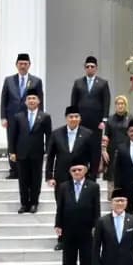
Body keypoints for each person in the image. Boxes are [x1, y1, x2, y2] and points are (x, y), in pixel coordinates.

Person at [46, 106, 95, 250]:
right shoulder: (56, 134)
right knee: (62, 207)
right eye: (71, 117)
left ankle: (84, 237)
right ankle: (62, 238)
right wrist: (49, 176)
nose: (74, 119)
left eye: (76, 116)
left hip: (82, 177)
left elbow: (93, 156)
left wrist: (91, 175)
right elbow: (50, 157)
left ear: (80, 118)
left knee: (83, 207)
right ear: (66, 118)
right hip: (61, 177)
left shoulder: (88, 134)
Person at [55, 163, 101, 265]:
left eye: (79, 170)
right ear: (70, 172)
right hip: (68, 227)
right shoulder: (64, 187)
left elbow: (96, 208)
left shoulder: (93, 186)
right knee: (68, 256)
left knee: (86, 255)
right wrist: (58, 224)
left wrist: (96, 225)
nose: (76, 172)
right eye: (73, 170)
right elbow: (60, 207)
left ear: (85, 171)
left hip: (86, 227)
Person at [0, 52, 44, 179]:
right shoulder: (9, 80)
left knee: (27, 142)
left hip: (29, 117)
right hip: (12, 117)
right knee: (12, 142)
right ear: (16, 65)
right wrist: (3, 117)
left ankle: (26, 170)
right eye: (20, 64)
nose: (23, 66)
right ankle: (14, 171)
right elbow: (3, 100)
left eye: (25, 63)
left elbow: (40, 100)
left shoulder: (36, 81)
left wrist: (40, 117)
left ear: (29, 65)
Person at [7, 93, 51, 213]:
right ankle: (24, 204)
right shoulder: (18, 117)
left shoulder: (45, 117)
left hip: (37, 153)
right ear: (25, 102)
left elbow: (49, 136)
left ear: (38, 101)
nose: (31, 100)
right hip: (21, 153)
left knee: (36, 179)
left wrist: (48, 151)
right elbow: (12, 136)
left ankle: (34, 203)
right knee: (23, 180)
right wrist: (12, 152)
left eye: (34, 98)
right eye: (29, 98)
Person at [70, 55, 111, 174]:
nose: (90, 68)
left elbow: (106, 102)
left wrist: (104, 120)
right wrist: (73, 118)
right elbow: (73, 102)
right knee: (81, 146)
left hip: (96, 122)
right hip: (81, 121)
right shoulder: (78, 83)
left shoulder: (103, 83)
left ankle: (94, 173)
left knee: (95, 147)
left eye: (92, 66)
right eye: (87, 66)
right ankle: (82, 171)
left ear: (96, 68)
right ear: (84, 67)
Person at [103, 96, 133, 199]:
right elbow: (106, 136)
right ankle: (112, 196)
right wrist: (104, 150)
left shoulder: (131, 118)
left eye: (122, 103)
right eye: (118, 104)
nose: (120, 106)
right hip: (112, 150)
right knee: (112, 173)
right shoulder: (110, 120)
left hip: (127, 150)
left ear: (126, 105)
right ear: (115, 106)